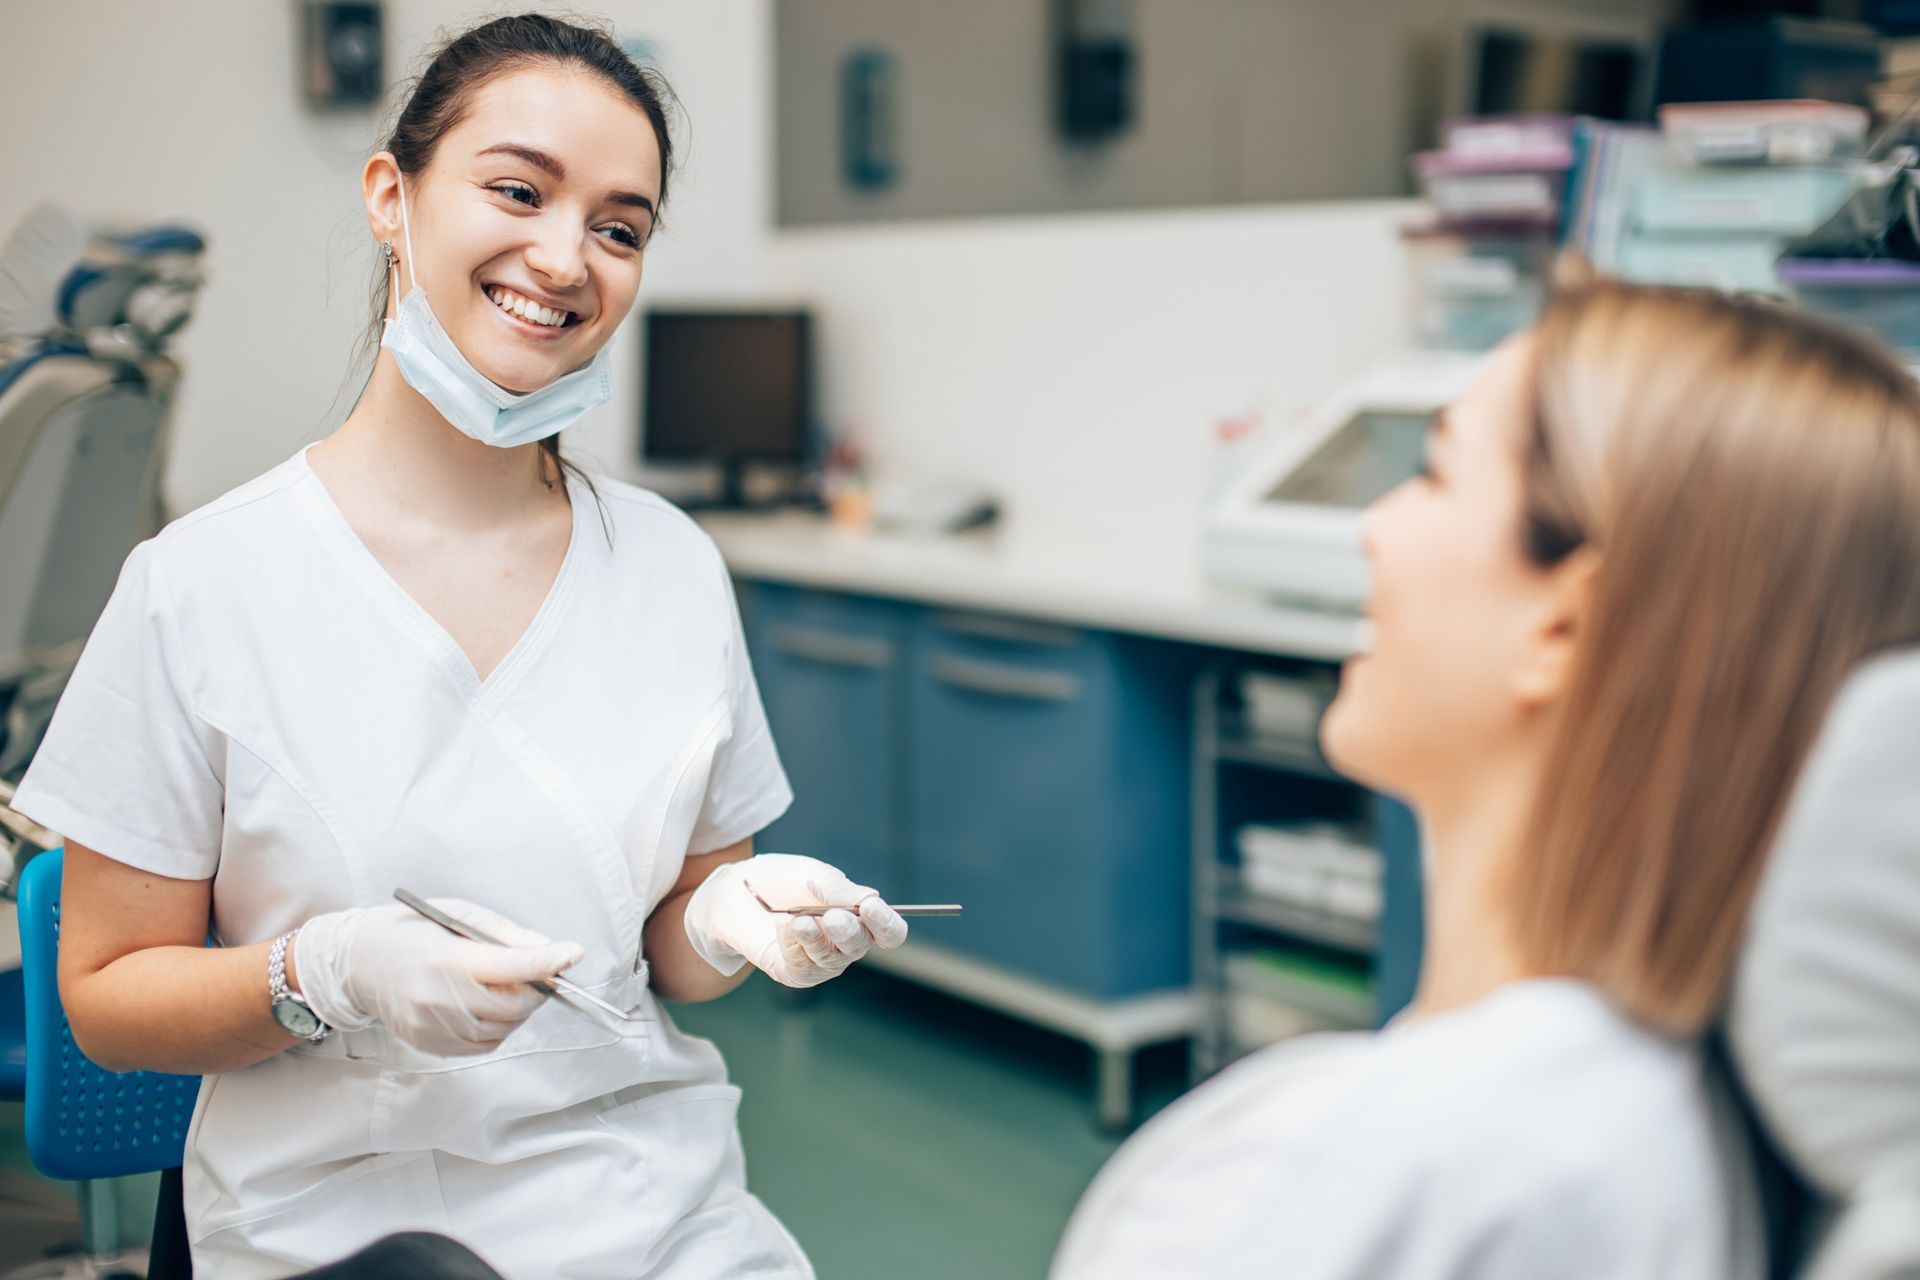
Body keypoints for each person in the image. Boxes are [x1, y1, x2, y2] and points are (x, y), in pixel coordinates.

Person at [11, 15, 904, 1279]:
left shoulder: (670, 565)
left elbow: (667, 951)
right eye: (517, 190)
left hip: (657, 1205)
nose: (565, 256)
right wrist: (322, 969)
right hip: (338, 1223)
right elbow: (103, 996)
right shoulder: (202, 584)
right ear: (392, 194)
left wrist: (730, 921)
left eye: (619, 226)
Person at [1052, 273, 1920, 1278]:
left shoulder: (1431, 1158)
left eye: (1433, 473)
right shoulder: (1671, 1123)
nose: (1375, 526)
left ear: (1563, 625)